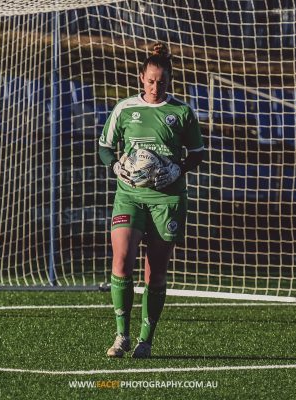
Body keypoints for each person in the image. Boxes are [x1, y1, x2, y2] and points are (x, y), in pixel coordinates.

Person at [98, 42, 205, 358]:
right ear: (141, 78)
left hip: (167, 200)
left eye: (161, 82)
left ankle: (146, 340)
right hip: (129, 196)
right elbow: (105, 146)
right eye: (150, 81)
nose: (155, 87)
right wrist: (116, 164)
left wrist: (177, 169)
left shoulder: (181, 112)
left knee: (154, 272)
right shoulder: (125, 109)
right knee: (121, 261)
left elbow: (197, 154)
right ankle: (122, 337)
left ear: (169, 80)